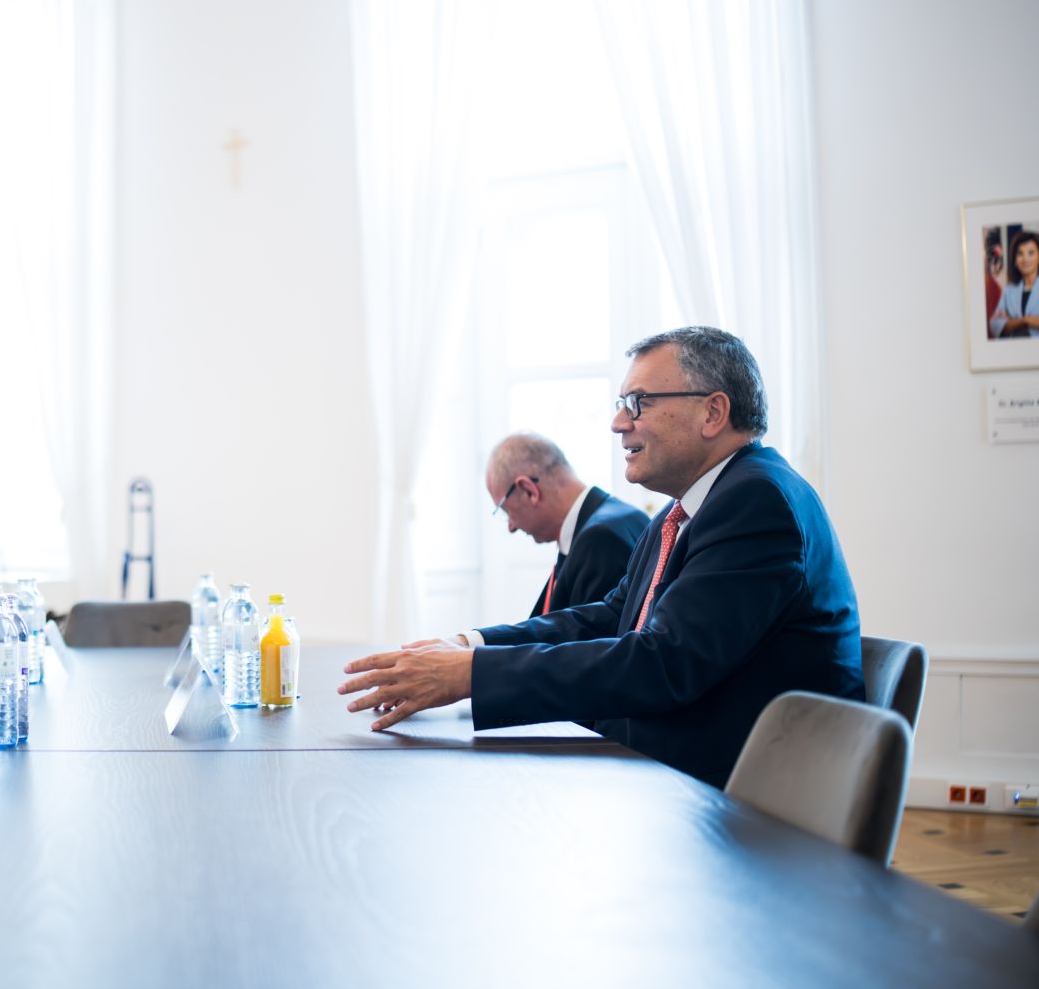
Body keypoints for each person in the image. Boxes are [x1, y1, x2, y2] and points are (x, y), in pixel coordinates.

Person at [339, 326, 864, 788]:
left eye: (638, 403)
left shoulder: (757, 501)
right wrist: (468, 646)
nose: (617, 423)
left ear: (713, 411)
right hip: (683, 766)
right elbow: (613, 617)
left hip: (742, 799)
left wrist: (471, 674)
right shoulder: (686, 509)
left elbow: (664, 663)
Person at [485, 432, 648, 617]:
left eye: (506, 511)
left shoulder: (599, 539)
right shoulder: (618, 517)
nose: (511, 527)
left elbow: (583, 641)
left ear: (529, 491)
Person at [990, 229, 1039, 338]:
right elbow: (995, 324)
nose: (1025, 259)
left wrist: (1014, 321)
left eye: (1031, 253)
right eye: (1020, 254)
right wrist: (1025, 321)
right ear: (1015, 259)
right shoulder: (1009, 290)